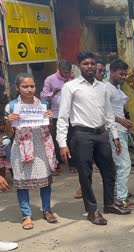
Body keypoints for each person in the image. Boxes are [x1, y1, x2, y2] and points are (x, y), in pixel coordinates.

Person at [57, 51, 131, 226]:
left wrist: (115, 136)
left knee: (110, 170)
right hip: (81, 135)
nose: (89, 66)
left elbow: (108, 114)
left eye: (92, 63)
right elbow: (63, 116)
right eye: (85, 64)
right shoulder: (70, 87)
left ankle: (109, 204)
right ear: (79, 66)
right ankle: (92, 210)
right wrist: (62, 143)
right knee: (85, 174)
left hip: (101, 134)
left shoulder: (103, 87)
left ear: (98, 66)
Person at [4, 73, 58, 230]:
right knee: (22, 184)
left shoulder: (43, 104)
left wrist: (49, 118)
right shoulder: (12, 106)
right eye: (25, 86)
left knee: (45, 181)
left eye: (32, 86)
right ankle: (26, 215)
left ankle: (46, 210)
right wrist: (10, 121)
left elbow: (49, 129)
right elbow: (8, 134)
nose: (29, 89)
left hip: (42, 146)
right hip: (21, 148)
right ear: (17, 88)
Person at [105, 59, 134, 210]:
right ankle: (121, 199)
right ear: (111, 72)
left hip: (120, 130)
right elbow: (102, 112)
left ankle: (119, 193)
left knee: (119, 165)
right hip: (114, 131)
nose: (123, 77)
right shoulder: (106, 89)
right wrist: (120, 120)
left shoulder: (116, 88)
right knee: (124, 165)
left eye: (125, 74)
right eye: (121, 74)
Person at [40, 60, 74, 175]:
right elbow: (43, 96)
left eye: (68, 72)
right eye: (64, 71)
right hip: (56, 114)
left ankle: (72, 163)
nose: (66, 74)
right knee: (56, 139)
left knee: (71, 139)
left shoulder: (73, 79)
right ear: (59, 69)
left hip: (71, 114)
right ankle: (58, 163)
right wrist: (52, 93)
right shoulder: (50, 79)